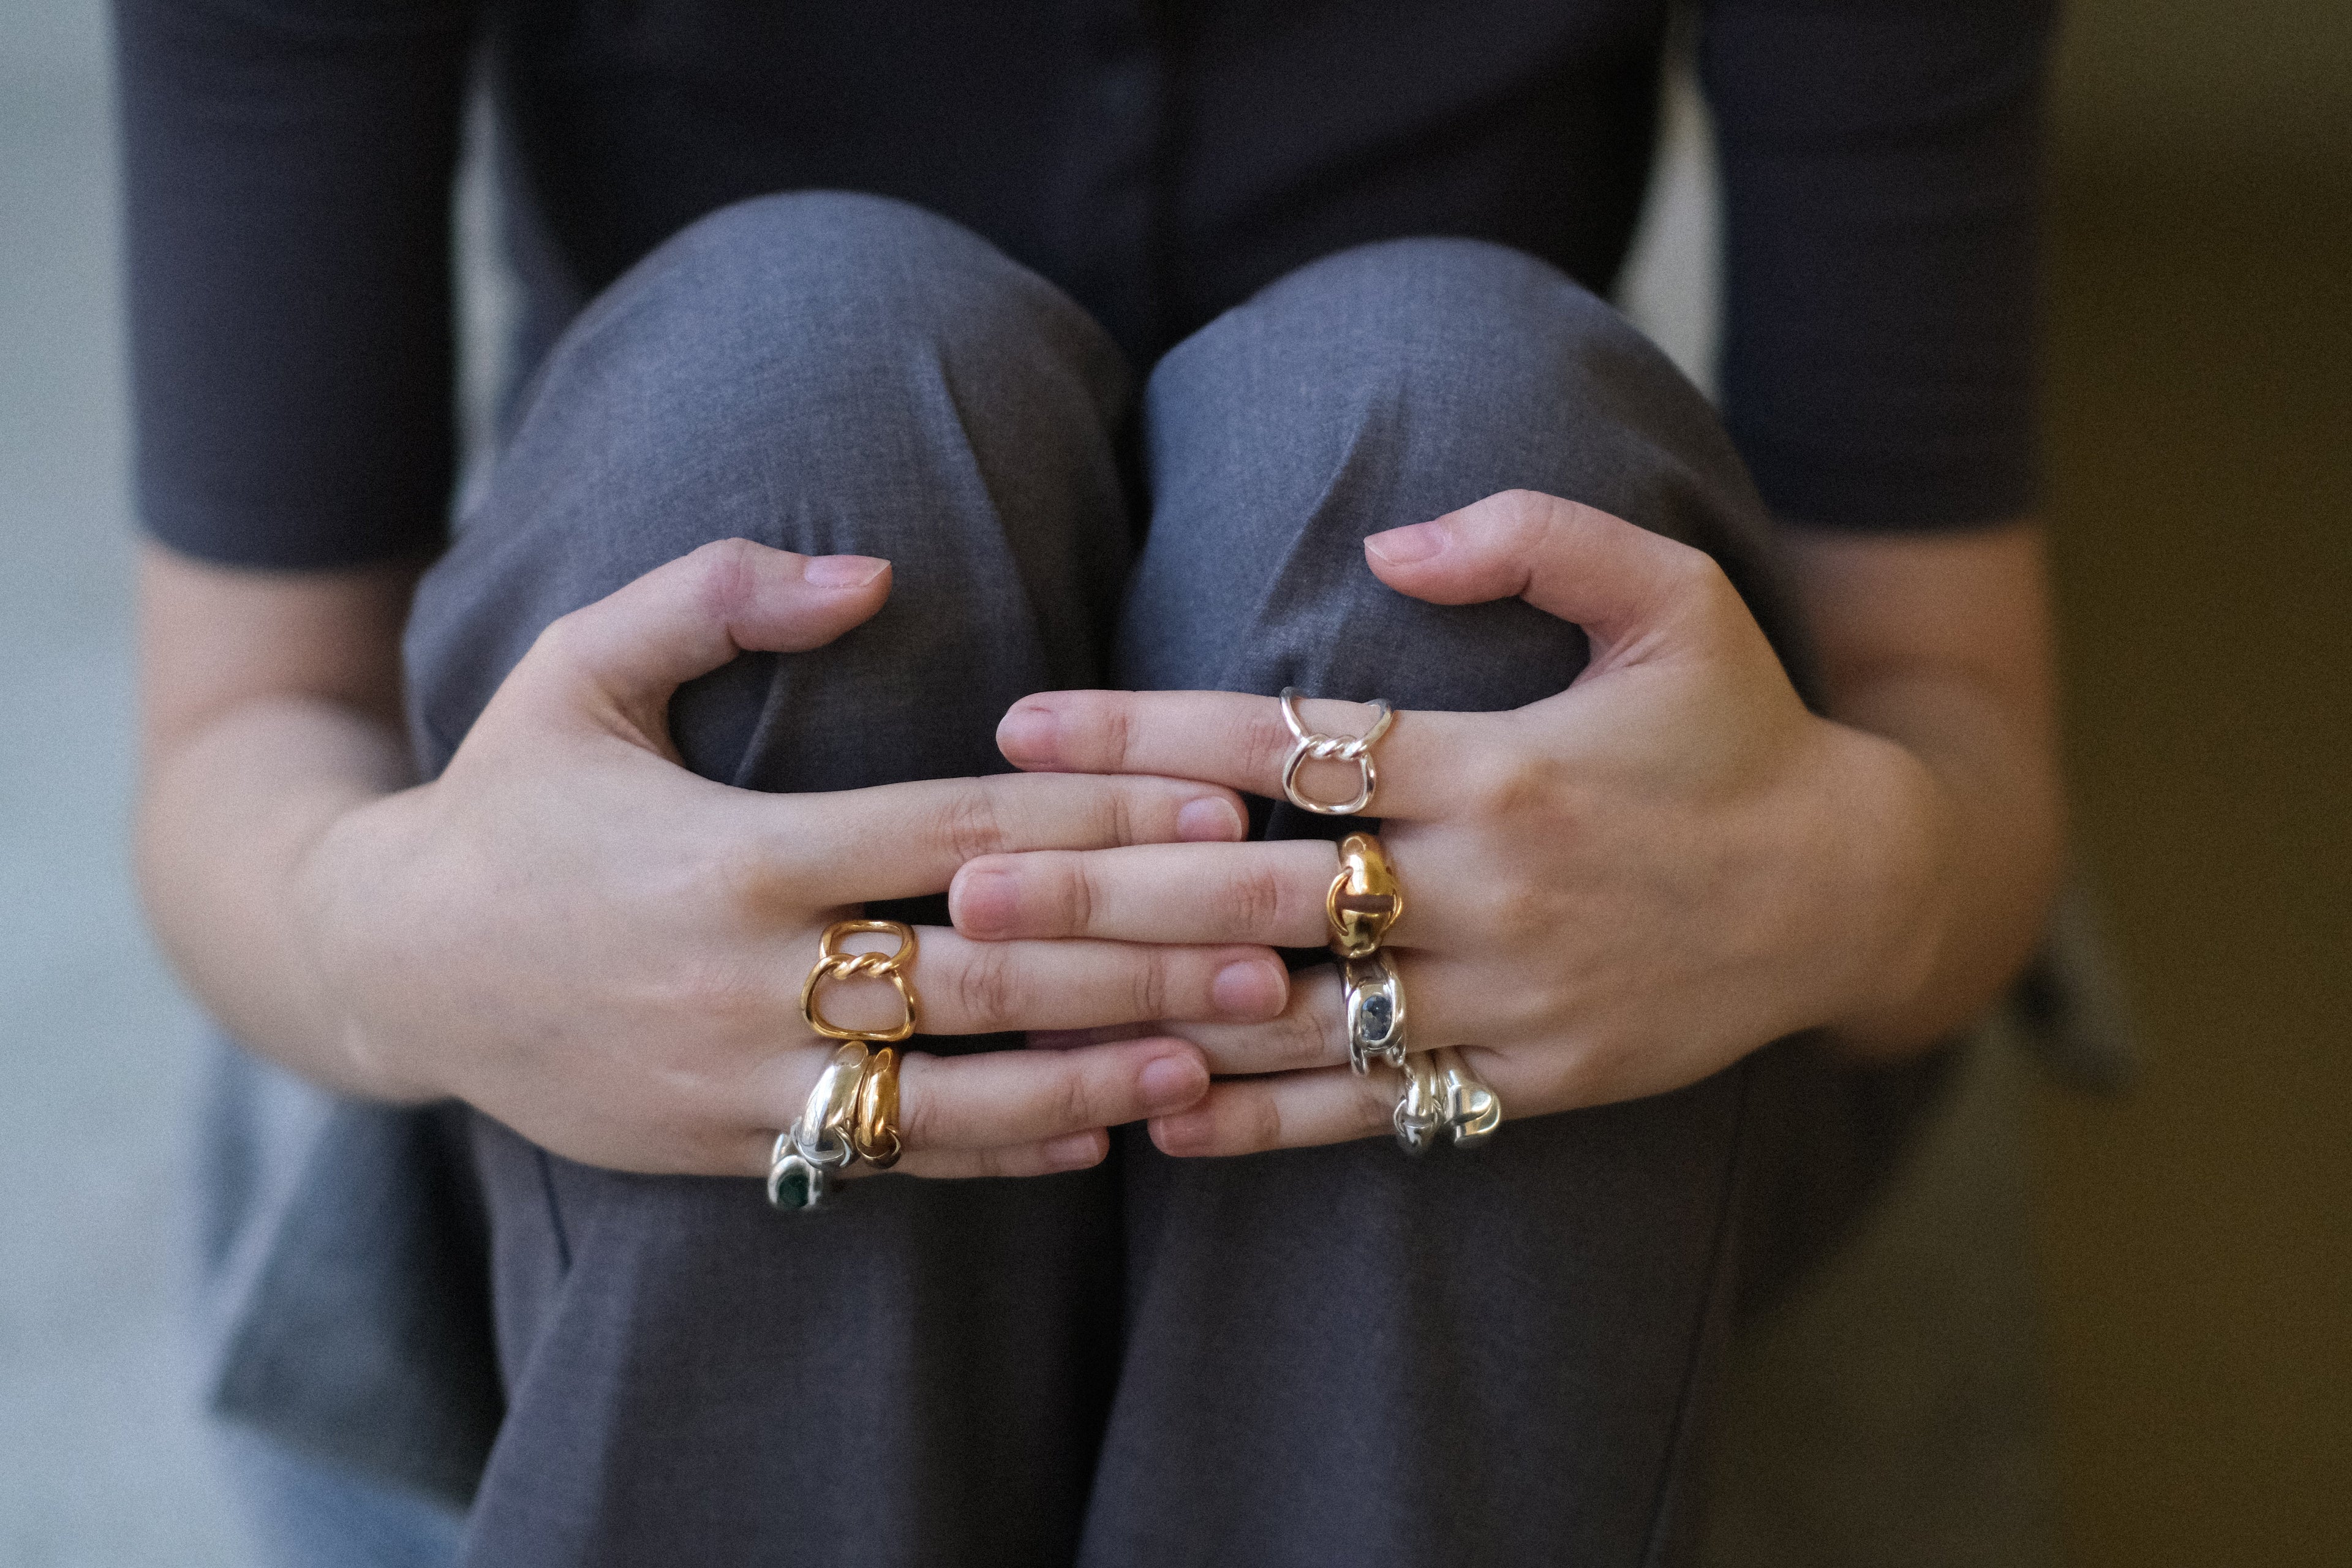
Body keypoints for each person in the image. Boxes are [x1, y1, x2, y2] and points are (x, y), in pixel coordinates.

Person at [118, 2, 2063, 1564]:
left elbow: (1945, 709)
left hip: (1507, 973)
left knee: (1448, 460)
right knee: (788, 429)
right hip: (617, 969)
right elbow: (245, 731)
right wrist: (414, 935)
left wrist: (1839, 869)